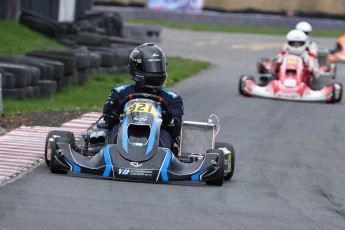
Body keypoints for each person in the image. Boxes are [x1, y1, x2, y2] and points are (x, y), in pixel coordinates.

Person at [102, 43, 184, 151]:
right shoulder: (120, 93)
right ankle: (111, 158)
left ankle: (160, 162)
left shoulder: (172, 99)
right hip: (124, 133)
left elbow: (175, 129)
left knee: (165, 135)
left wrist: (168, 118)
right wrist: (115, 113)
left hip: (157, 137)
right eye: (151, 66)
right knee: (116, 130)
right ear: (136, 67)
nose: (155, 71)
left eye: (158, 67)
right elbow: (108, 121)